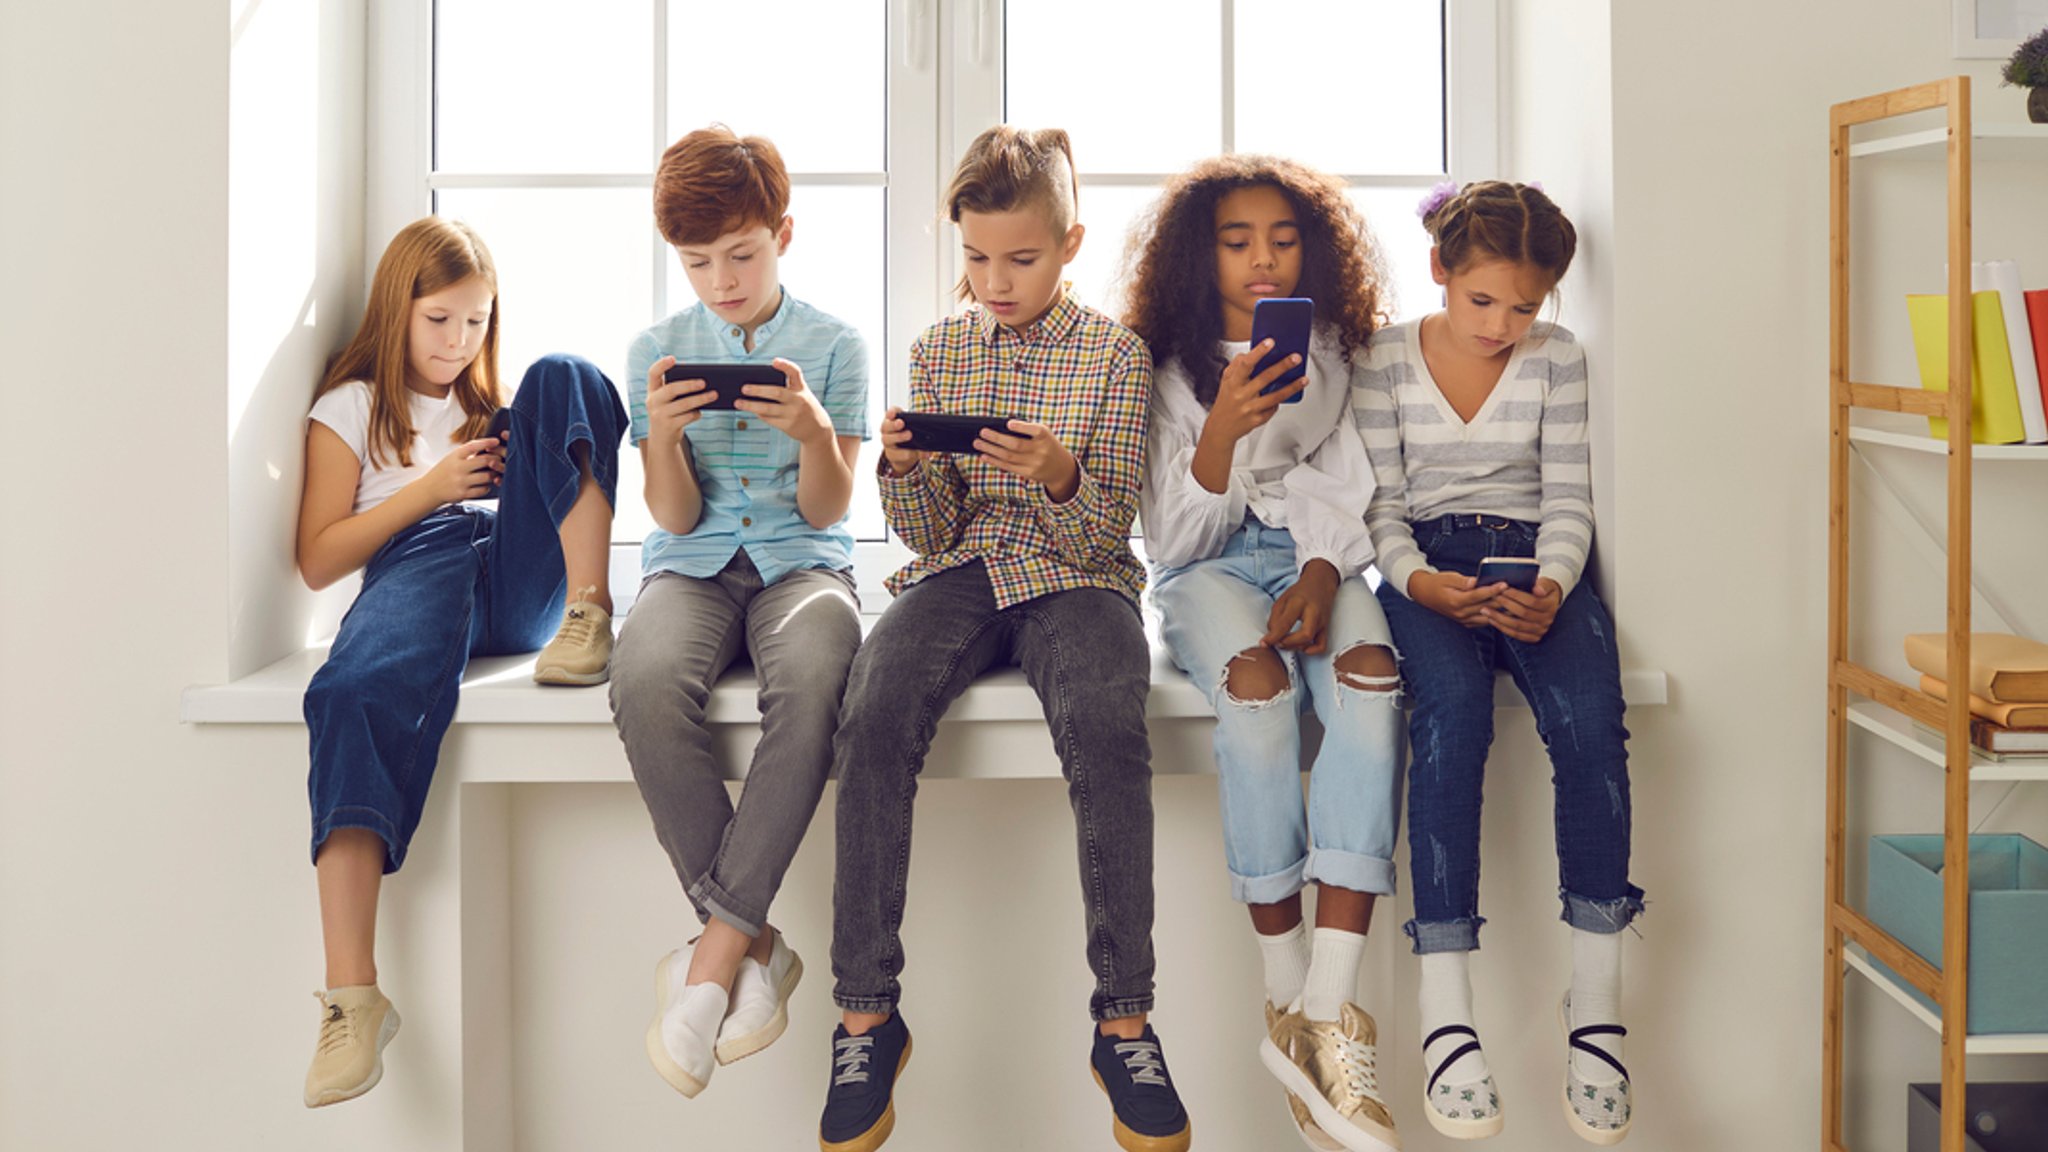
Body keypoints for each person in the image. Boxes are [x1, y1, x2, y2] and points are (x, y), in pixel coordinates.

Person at [818, 125, 1189, 1152]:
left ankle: (1124, 1022)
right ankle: (864, 1015)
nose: (994, 280)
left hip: (1077, 578)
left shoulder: (1115, 356)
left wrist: (1057, 473)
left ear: (1069, 244)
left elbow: (1105, 526)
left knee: (1108, 724)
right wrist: (902, 468)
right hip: (962, 568)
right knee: (874, 708)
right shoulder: (938, 348)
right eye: (976, 258)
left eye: (1019, 259)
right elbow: (931, 533)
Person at [296, 216, 626, 1107]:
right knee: (351, 690)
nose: (458, 342)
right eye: (440, 320)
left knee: (568, 378)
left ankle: (594, 613)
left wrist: (500, 469)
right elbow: (320, 558)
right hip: (422, 553)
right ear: (396, 309)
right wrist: (429, 489)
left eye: (476, 322)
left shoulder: (496, 407)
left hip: (518, 581)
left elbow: (545, 480)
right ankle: (352, 997)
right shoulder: (352, 407)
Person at [1353, 180, 1640, 1144]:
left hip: (1533, 568)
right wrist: (1417, 582)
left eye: (1525, 306)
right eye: (1483, 301)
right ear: (1441, 271)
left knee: (1592, 727)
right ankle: (1448, 1012)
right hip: (1423, 572)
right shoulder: (1385, 360)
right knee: (1452, 726)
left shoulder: (1558, 361)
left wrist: (1554, 582)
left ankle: (1596, 1006)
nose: (1503, 325)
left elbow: (1569, 498)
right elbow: (1380, 506)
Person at [1126, 153, 1402, 1152]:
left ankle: (1329, 1009)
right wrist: (1222, 435)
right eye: (1238, 241)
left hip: (1320, 559)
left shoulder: (1330, 351)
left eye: (1282, 238)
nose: (1261, 259)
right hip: (1209, 570)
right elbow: (1172, 538)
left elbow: (1346, 481)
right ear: (1202, 256)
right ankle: (1281, 994)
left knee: (1370, 683)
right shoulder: (1161, 364)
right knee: (1254, 694)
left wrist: (1323, 573)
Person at [609, 126, 869, 1099]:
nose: (721, 280)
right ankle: (753, 940)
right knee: (640, 680)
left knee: (813, 684)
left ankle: (714, 960)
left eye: (742, 255)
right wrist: (664, 441)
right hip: (690, 564)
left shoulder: (837, 346)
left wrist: (812, 435)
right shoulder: (656, 350)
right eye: (697, 261)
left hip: (804, 564)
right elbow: (669, 516)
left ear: (783, 235)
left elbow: (827, 510)